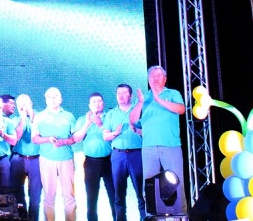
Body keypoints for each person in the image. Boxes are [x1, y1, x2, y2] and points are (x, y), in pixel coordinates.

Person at [129, 66, 186, 211]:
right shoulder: (144, 98)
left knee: (176, 182)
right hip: (149, 148)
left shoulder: (172, 93)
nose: (155, 79)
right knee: (150, 185)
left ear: (165, 79)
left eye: (158, 76)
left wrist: (158, 100)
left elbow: (181, 109)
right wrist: (140, 103)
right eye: (152, 77)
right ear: (148, 80)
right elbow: (133, 119)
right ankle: (152, 216)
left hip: (171, 145)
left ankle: (180, 215)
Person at [32, 87, 77, 221]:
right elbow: (35, 139)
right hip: (47, 160)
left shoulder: (69, 116)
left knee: (69, 196)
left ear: (61, 99)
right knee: (49, 196)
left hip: (66, 159)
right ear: (45, 100)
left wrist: (64, 141)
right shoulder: (39, 117)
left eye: (55, 96)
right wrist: (47, 139)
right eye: (49, 97)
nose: (52, 99)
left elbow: (74, 138)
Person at [103, 84, 145, 221]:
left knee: (141, 192)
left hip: (137, 154)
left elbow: (148, 132)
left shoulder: (138, 110)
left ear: (131, 96)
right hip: (118, 156)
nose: (120, 96)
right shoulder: (111, 114)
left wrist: (136, 130)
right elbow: (105, 136)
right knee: (119, 194)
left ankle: (145, 218)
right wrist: (115, 133)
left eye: (124, 93)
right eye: (118, 93)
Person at [73, 94, 116, 221]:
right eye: (93, 102)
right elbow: (76, 139)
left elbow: (115, 136)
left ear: (103, 103)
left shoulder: (110, 117)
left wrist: (100, 124)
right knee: (91, 198)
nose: (97, 104)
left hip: (109, 161)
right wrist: (87, 124)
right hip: (91, 163)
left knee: (114, 196)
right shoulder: (83, 119)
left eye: (99, 101)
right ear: (89, 105)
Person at [10, 94, 42, 221]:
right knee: (17, 193)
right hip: (18, 159)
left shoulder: (40, 117)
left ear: (31, 104)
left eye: (25, 104)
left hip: (36, 159)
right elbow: (16, 137)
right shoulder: (15, 120)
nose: (23, 107)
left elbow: (41, 133)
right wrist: (23, 119)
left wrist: (32, 116)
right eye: (20, 105)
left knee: (35, 196)